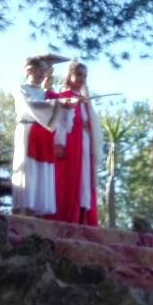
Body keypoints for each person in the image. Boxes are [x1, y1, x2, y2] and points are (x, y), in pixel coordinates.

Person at [51, 61, 101, 225]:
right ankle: (67, 215)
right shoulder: (65, 97)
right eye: (79, 74)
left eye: (85, 76)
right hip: (71, 144)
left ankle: (83, 217)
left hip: (84, 144)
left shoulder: (84, 100)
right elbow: (60, 123)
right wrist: (59, 143)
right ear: (69, 76)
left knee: (85, 180)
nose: (82, 79)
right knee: (71, 179)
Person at [12, 56, 62, 216]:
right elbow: (31, 104)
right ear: (29, 70)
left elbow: (58, 106)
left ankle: (38, 210)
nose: (42, 73)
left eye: (44, 70)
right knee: (28, 169)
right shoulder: (21, 88)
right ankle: (24, 208)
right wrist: (57, 104)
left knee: (41, 172)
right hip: (27, 130)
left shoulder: (46, 93)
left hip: (44, 133)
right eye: (39, 69)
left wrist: (66, 103)